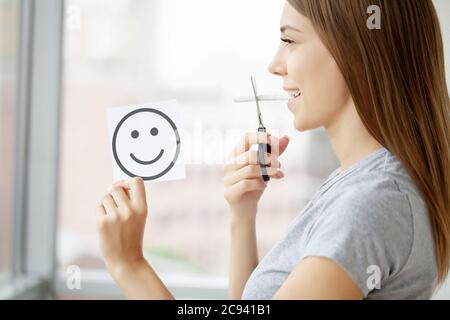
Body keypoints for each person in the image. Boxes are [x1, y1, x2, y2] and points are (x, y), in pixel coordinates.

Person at [96, 0, 450, 299]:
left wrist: (129, 265)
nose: (274, 64)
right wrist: (243, 216)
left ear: (353, 51)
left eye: (290, 40)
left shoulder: (372, 203)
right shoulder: (361, 184)